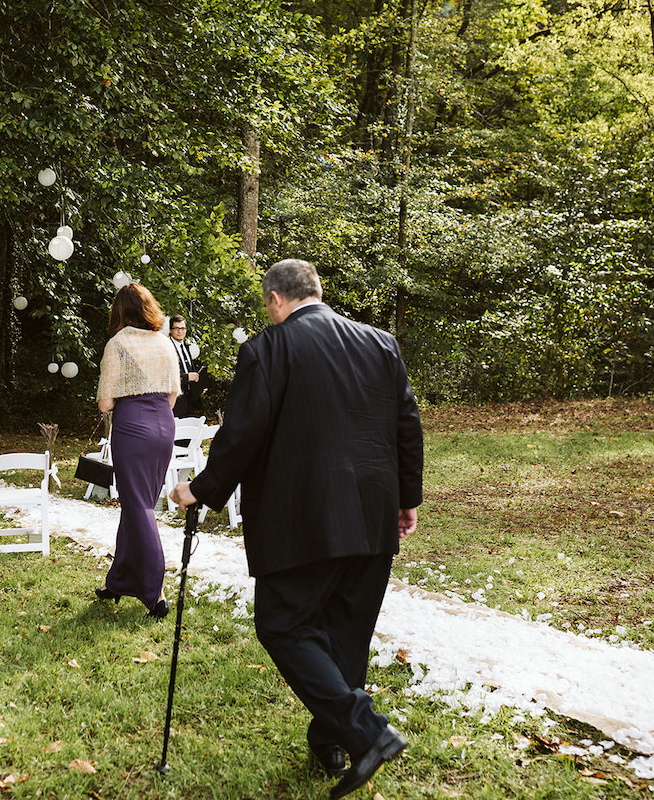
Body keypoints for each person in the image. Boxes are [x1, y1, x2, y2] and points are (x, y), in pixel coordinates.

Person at [170, 259, 423, 798]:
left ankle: (368, 732)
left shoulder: (268, 348)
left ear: (275, 300)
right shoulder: (381, 343)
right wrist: (407, 500)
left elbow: (242, 435)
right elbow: (407, 424)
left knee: (283, 625)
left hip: (303, 519)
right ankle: (332, 743)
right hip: (374, 515)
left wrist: (202, 488)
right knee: (345, 635)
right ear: (317, 292)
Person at [94, 284, 181, 618]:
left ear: (120, 311)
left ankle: (156, 593)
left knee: (138, 505)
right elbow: (173, 396)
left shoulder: (117, 344)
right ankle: (118, 581)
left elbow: (105, 403)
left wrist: (124, 398)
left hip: (133, 428)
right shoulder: (165, 343)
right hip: (164, 425)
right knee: (137, 504)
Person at [168, 314, 201, 417]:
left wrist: (198, 387)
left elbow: (189, 368)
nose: (180, 331)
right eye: (176, 328)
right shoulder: (167, 348)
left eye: (182, 328)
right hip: (175, 401)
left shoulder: (186, 346)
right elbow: (166, 376)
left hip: (190, 400)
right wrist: (186, 377)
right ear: (170, 330)